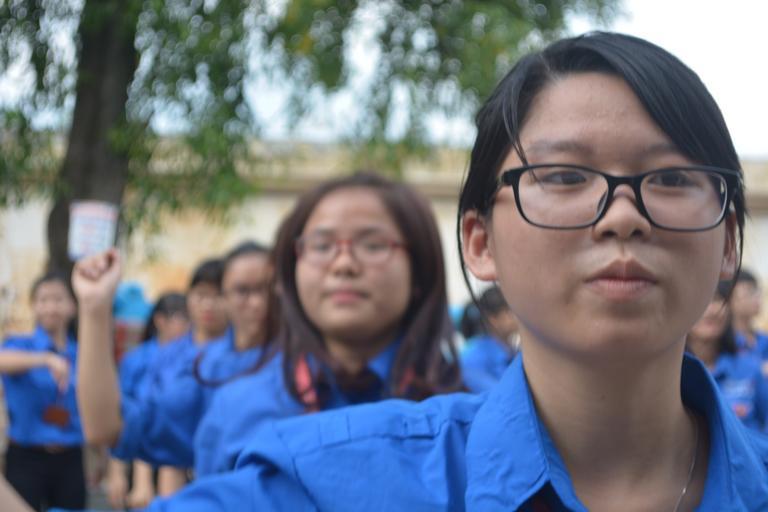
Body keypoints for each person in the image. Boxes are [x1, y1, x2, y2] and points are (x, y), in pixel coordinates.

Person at [146, 32, 768, 511]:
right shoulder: (326, 483)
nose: (623, 216)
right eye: (564, 176)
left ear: (729, 241)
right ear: (479, 242)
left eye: (672, 178)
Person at [191, 172, 464, 476]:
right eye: (321, 246)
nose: (343, 264)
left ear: (419, 271)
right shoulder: (237, 408)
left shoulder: (470, 410)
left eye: (373, 245)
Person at [73, 243, 277, 494]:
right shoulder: (206, 370)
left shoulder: (309, 365)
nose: (257, 303)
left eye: (268, 289)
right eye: (242, 290)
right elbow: (115, 426)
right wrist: (94, 307)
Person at [0, 272, 85, 511]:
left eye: (58, 299)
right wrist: (45, 359)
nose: (51, 307)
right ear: (34, 306)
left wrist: (99, 457)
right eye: (43, 300)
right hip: (26, 457)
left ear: (72, 305)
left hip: (70, 458)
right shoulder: (19, 345)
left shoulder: (81, 353)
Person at [105, 292, 189, 510]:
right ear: (160, 320)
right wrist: (117, 473)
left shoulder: (194, 358)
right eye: (182, 317)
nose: (188, 325)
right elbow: (123, 414)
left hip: (180, 459)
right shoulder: (136, 360)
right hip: (140, 456)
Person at [687, 281, 768, 431]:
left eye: (718, 299)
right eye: (702, 299)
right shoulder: (670, 375)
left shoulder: (750, 369)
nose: (711, 310)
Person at [459, 285, 519, 392]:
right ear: (493, 319)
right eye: (510, 311)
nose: (518, 316)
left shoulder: (514, 351)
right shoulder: (472, 358)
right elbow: (498, 395)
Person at [729, 269, 768, 360]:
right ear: (730, 299)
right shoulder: (723, 343)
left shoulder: (764, 340)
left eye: (757, 291)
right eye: (749, 292)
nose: (757, 297)